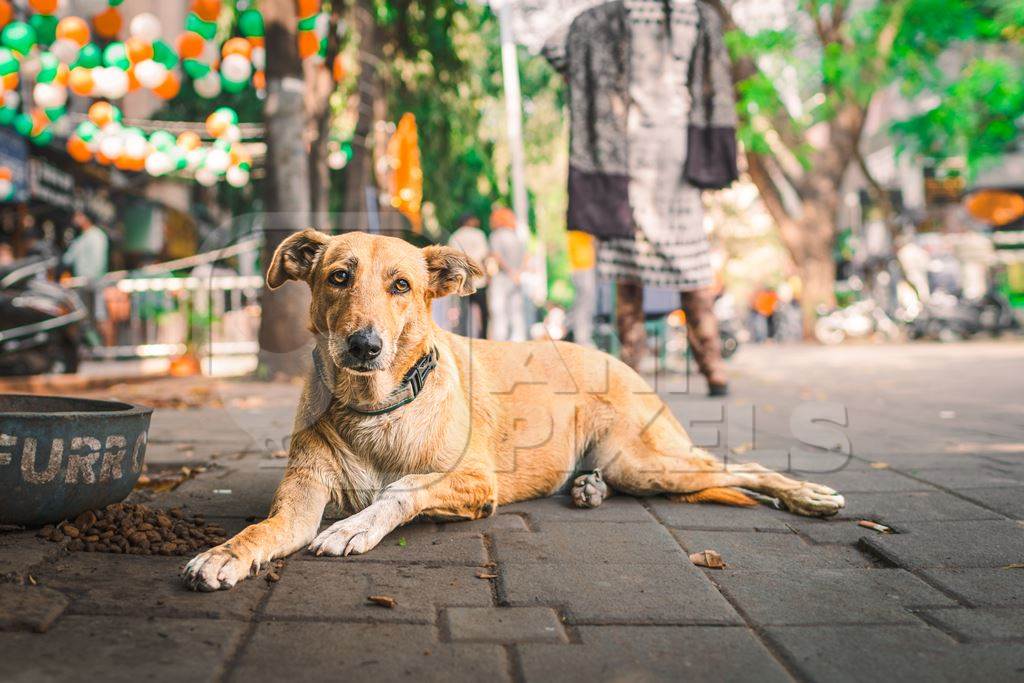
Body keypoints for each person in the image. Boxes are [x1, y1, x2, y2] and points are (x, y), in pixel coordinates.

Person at [63, 209, 112, 345]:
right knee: (84, 318)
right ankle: (94, 347)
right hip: (82, 285)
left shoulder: (97, 236)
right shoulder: (81, 238)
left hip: (95, 284)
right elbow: (68, 259)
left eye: (78, 216)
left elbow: (98, 263)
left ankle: (108, 351)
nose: (75, 219)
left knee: (100, 316)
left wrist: (90, 280)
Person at [486, 206, 527, 342]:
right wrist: (518, 273)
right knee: (516, 314)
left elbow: (496, 257)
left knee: (499, 314)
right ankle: (518, 343)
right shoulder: (517, 237)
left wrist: (509, 272)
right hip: (516, 279)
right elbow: (526, 257)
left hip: (502, 279)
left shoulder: (496, 236)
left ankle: (499, 345)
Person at [448, 213, 489, 338]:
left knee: (464, 312)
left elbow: (452, 260)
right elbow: (484, 256)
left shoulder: (455, 236)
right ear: (470, 220)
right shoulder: (479, 234)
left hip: (463, 280)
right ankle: (483, 336)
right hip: (479, 280)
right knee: (484, 312)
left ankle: (463, 336)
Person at [566, 229, 597, 346]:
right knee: (584, 302)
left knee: (585, 302)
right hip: (581, 267)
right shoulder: (577, 229)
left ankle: (581, 336)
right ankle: (582, 338)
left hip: (585, 265)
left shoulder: (583, 232)